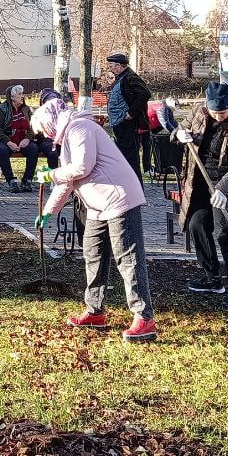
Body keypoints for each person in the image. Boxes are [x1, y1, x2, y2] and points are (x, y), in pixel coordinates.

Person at [33, 96, 158, 342]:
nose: (45, 136)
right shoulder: (67, 136)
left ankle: (144, 318)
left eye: (43, 130)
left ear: (50, 122)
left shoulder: (80, 128)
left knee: (128, 258)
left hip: (119, 199)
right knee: (93, 255)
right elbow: (67, 182)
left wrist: (51, 174)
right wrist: (47, 212)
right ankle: (94, 311)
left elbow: (82, 168)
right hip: (97, 206)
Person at [172, 82, 228, 310]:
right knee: (197, 225)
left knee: (225, 234)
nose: (219, 116)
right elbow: (180, 129)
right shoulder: (198, 113)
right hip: (200, 185)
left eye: (223, 112)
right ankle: (212, 278)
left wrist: (223, 189)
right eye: (214, 112)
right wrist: (180, 134)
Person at [105, 52, 150, 179]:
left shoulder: (131, 77)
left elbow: (145, 94)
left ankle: (135, 187)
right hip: (119, 123)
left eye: (112, 66)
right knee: (123, 157)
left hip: (128, 124)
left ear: (119, 66)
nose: (110, 68)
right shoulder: (121, 78)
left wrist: (131, 113)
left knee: (131, 159)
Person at [0, 85, 38, 193]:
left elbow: (33, 126)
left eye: (22, 94)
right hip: (6, 140)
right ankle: (11, 180)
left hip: (23, 140)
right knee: (1, 150)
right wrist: (8, 142)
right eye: (19, 94)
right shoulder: (1, 109)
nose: (22, 96)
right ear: (12, 97)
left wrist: (27, 139)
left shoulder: (26, 109)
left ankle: (27, 180)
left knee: (33, 149)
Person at [148, 96, 180, 178]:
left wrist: (178, 130)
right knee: (148, 147)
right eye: (175, 105)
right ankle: (148, 168)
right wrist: (174, 133)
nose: (176, 106)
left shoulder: (167, 108)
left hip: (154, 127)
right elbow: (165, 123)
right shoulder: (162, 107)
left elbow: (172, 121)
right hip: (146, 126)